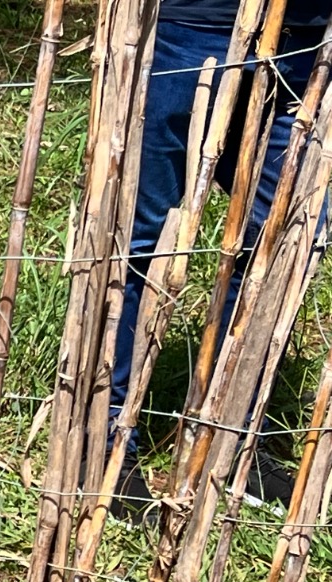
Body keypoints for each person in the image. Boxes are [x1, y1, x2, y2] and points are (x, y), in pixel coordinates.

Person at [110, 0, 332, 522]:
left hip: (305, 42)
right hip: (190, 27)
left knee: (283, 239)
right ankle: (112, 443)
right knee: (144, 241)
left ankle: (229, 441)